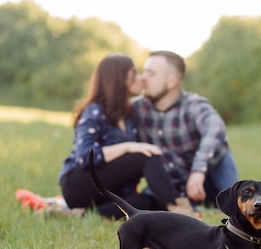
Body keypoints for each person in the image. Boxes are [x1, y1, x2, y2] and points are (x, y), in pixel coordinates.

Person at [58, 53, 197, 218]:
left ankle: (80, 214)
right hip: (79, 186)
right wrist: (128, 147)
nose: (141, 79)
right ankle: (180, 209)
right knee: (145, 155)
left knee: (149, 203)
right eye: (134, 74)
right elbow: (84, 156)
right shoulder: (95, 111)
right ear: (120, 80)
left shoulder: (130, 115)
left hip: (110, 191)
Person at [133, 50, 239, 206]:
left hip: (206, 183)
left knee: (219, 147)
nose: (143, 78)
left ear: (171, 81)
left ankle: (234, 203)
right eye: (144, 72)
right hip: (172, 190)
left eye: (151, 73)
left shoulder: (193, 105)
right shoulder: (137, 108)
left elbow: (215, 127)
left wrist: (198, 170)